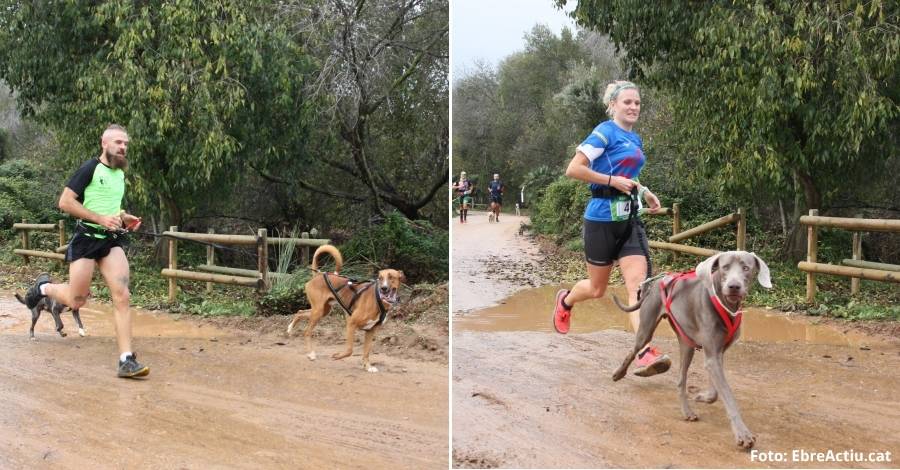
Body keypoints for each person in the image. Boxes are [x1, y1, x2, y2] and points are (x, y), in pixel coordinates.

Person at [551, 80, 670, 377]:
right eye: (627, 102)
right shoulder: (604, 132)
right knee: (597, 289)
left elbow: (628, 175)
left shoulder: (636, 139)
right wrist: (610, 181)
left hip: (629, 220)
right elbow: (573, 169)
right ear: (614, 105)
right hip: (601, 219)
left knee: (637, 287)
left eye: (637, 103)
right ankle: (565, 301)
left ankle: (643, 351)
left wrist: (644, 192)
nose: (633, 107)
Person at [23, 124, 149, 378]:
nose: (123, 147)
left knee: (122, 295)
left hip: (110, 241)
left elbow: (112, 208)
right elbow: (65, 202)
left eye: (125, 144)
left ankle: (126, 360)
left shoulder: (119, 175)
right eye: (117, 142)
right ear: (104, 143)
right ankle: (43, 288)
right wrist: (99, 218)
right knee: (76, 300)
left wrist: (125, 218)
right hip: (86, 239)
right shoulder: (89, 169)